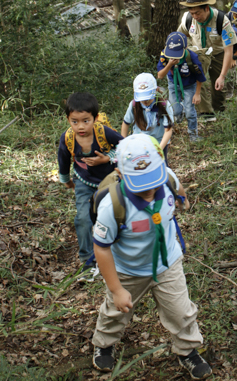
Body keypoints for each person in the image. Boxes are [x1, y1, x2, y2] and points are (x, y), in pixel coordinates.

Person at [91, 135, 212, 379]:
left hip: (167, 261)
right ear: (122, 175)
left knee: (181, 311)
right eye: (140, 184)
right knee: (116, 311)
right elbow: (101, 248)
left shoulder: (166, 177)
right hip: (127, 269)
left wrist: (182, 199)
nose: (148, 190)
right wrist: (116, 289)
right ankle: (104, 343)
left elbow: (177, 188)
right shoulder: (112, 206)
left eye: (152, 181)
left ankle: (187, 350)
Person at [58, 92, 123, 280]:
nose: (80, 126)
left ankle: (116, 250)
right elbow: (63, 159)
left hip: (109, 180)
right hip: (83, 181)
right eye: (75, 121)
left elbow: (125, 146)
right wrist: (66, 180)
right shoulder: (67, 138)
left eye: (86, 121)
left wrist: (107, 158)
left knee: (114, 214)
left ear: (95, 118)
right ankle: (87, 260)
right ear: (68, 120)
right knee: (83, 219)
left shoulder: (103, 132)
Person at [178, 0, 237, 121]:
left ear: (206, 8)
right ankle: (206, 113)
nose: (195, 16)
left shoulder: (221, 20)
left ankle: (219, 111)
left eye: (197, 13)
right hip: (198, 54)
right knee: (198, 81)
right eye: (192, 12)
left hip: (218, 54)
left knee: (219, 87)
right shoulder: (188, 19)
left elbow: (229, 50)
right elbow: (180, 36)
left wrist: (222, 76)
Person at [157, 32, 206, 143]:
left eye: (177, 53)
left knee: (190, 112)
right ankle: (180, 109)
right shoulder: (164, 55)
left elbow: (200, 77)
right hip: (173, 84)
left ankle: (193, 134)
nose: (173, 56)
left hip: (189, 85)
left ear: (185, 48)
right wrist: (169, 64)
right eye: (171, 53)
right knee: (175, 111)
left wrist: (197, 94)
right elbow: (160, 75)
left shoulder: (191, 57)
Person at [121, 73, 174, 165]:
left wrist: (159, 150)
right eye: (142, 98)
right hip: (139, 142)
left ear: (156, 90)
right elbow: (126, 123)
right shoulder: (134, 105)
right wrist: (123, 143)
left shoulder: (164, 105)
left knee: (160, 165)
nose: (145, 101)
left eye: (148, 97)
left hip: (158, 142)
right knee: (140, 166)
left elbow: (168, 130)